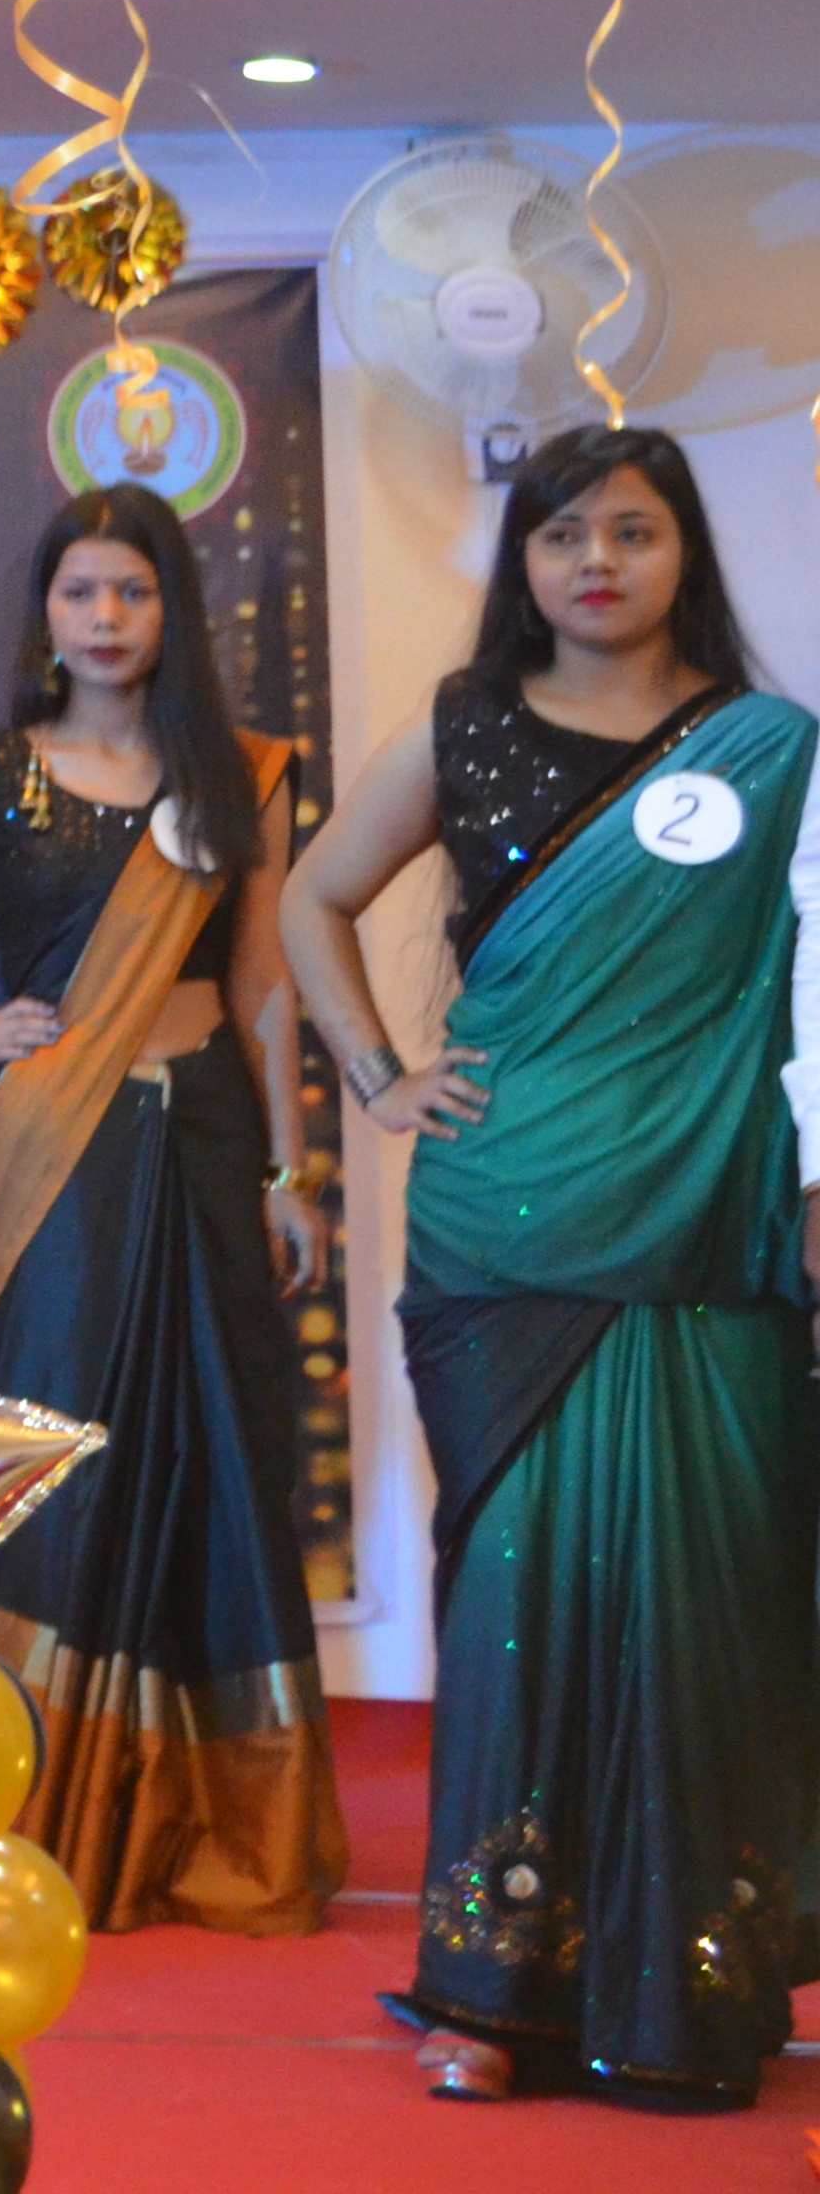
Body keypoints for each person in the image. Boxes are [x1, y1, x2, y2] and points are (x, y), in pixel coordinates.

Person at [276, 424, 819, 2112]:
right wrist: (380, 1075)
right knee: (518, 1598)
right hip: (505, 1215)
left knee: (702, 1595)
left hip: (709, 1220)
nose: (596, 561)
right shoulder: (466, 726)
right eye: (562, 532)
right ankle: (493, 1985)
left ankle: (691, 1977)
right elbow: (312, 896)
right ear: (520, 559)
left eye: (632, 531)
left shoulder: (770, 749)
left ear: (683, 553)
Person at [0, 485, 341, 1935]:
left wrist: (290, 1170)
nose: (106, 619)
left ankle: (214, 1821)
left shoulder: (241, 773)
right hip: (59, 1147)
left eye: (133, 592)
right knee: (60, 1457)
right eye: (80, 592)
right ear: (44, 611)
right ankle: (40, 1805)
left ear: (173, 610)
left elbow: (264, 980)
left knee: (219, 1449)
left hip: (210, 1136)